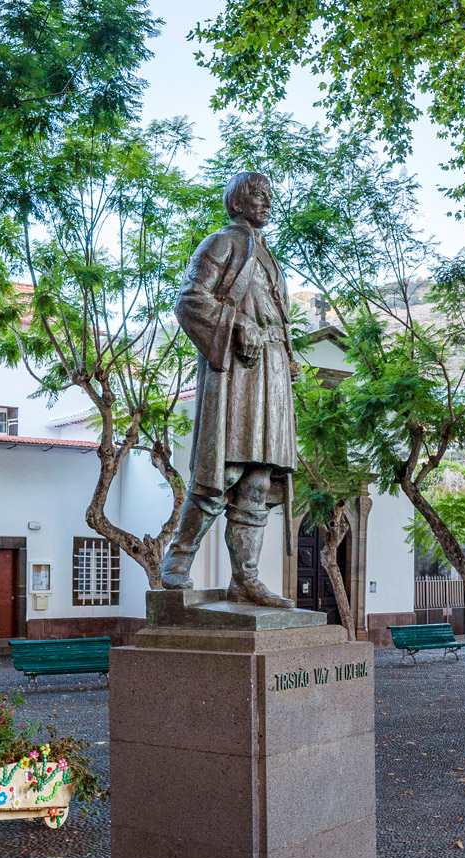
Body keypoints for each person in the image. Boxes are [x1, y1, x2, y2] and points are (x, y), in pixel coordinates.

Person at [158, 171, 299, 607]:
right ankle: (178, 562)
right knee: (226, 473)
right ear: (238, 201)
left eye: (270, 196)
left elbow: (277, 317)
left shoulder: (269, 255)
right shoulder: (222, 243)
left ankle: (247, 580)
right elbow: (189, 299)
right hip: (238, 371)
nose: (267, 202)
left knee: (258, 479)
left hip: (271, 374)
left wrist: (289, 356)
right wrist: (237, 325)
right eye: (258, 195)